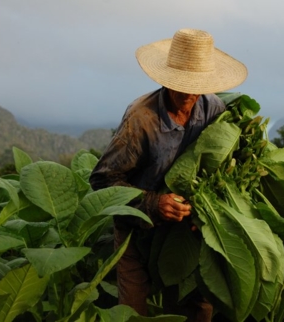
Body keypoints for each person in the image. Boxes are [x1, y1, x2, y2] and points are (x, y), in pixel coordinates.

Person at [89, 28, 247, 321]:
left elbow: (216, 172)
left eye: (197, 84)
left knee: (196, 309)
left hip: (183, 234)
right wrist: (153, 204)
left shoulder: (214, 109)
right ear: (165, 80)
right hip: (135, 231)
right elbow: (102, 180)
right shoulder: (141, 118)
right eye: (181, 84)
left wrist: (204, 215)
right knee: (132, 313)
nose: (189, 93)